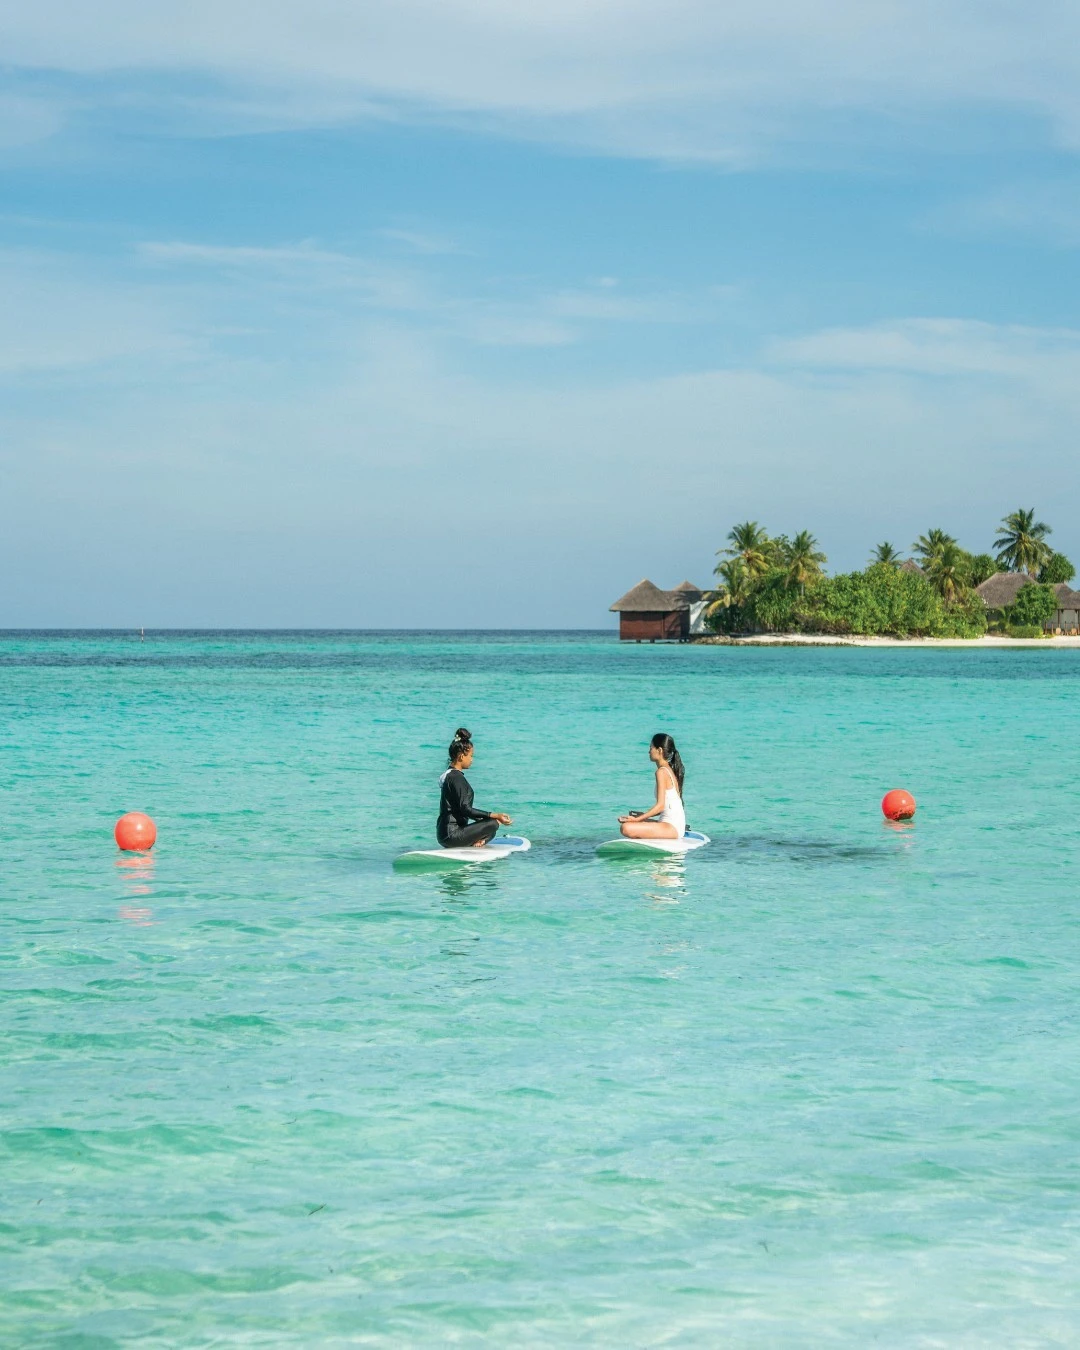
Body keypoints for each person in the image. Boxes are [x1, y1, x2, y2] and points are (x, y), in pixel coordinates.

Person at [437, 728, 513, 849]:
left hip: (444, 835)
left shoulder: (450, 775)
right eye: (471, 756)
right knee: (493, 824)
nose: (472, 759)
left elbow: (462, 810)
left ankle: (480, 840)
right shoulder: (456, 778)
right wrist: (495, 816)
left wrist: (487, 821)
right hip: (452, 835)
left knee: (491, 826)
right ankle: (480, 841)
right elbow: (465, 809)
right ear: (461, 756)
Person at [618, 733, 686, 840]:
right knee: (633, 821)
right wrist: (640, 817)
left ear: (659, 750)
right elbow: (667, 806)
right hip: (674, 825)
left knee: (626, 828)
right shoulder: (669, 770)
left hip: (672, 828)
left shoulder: (661, 772)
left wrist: (638, 820)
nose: (649, 751)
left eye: (651, 748)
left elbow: (660, 806)